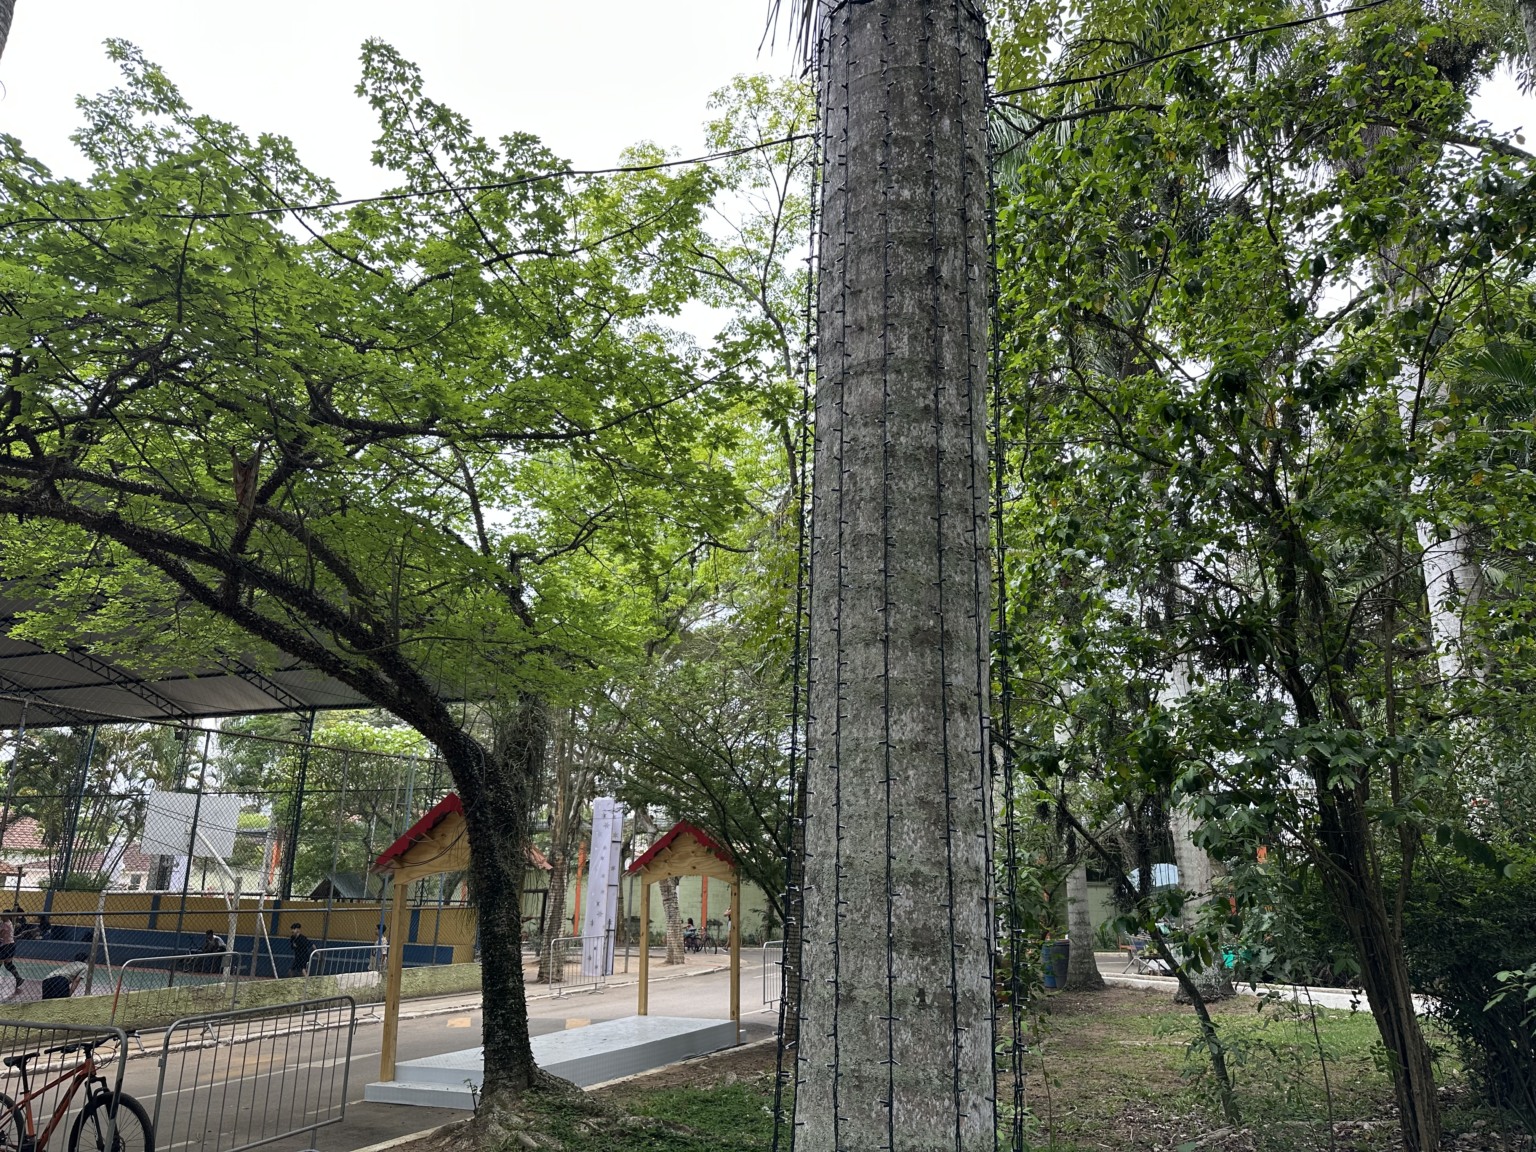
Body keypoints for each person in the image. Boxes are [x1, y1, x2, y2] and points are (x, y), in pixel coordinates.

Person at [0, 914, 23, 994]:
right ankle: (18, 977)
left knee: (2, 962)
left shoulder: (5, 924)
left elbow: (1, 934)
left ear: (7, 916)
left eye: (3, 916)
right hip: (11, 945)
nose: (1, 917)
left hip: (6, 946)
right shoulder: (8, 922)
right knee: (8, 964)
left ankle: (18, 978)